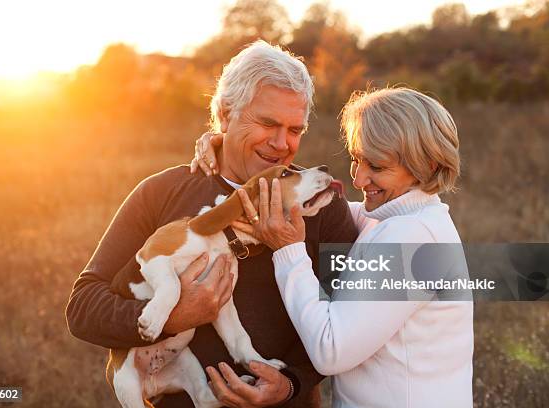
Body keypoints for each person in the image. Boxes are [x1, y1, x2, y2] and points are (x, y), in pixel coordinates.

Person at [65, 40, 358, 408]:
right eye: (267, 123)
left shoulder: (322, 205)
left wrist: (291, 383)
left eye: (295, 129)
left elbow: (352, 313)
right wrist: (171, 315)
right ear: (224, 114)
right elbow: (82, 307)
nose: (282, 143)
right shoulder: (160, 193)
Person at [195, 87, 474, 407]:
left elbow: (331, 351)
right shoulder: (393, 218)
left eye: (377, 167)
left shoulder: (412, 237)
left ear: (424, 164)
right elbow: (326, 207)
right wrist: (227, 144)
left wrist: (289, 250)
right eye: (357, 160)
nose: (359, 179)